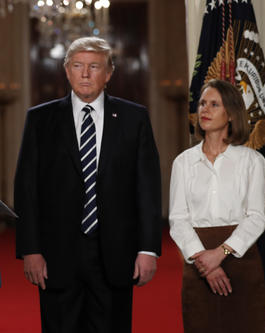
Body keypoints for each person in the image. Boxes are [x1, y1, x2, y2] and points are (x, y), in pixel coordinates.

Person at [14, 37, 162, 332]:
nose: (85, 74)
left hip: (116, 254)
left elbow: (147, 187)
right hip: (56, 255)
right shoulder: (40, 120)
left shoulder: (135, 118)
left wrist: (148, 249)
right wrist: (30, 249)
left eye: (94, 66)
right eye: (78, 66)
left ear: (108, 74)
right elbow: (26, 188)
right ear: (66, 71)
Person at [169, 79, 265, 332]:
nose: (205, 109)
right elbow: (178, 219)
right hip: (197, 263)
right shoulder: (183, 163)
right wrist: (205, 261)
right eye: (202, 103)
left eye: (214, 104)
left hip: (241, 261)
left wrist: (220, 254)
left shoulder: (252, 161)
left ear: (231, 113)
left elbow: (256, 217)